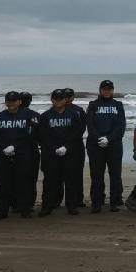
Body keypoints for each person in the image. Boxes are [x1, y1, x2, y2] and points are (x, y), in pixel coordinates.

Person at [37, 88, 86, 216]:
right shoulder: (45, 116)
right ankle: (47, 207)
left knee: (71, 180)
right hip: (51, 154)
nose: (58, 101)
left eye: (61, 99)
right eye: (56, 99)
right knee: (50, 181)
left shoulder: (74, 115)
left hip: (69, 153)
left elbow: (76, 133)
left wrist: (66, 147)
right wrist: (54, 148)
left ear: (65, 100)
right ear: (52, 100)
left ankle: (72, 206)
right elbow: (43, 135)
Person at [0, 91, 37, 220]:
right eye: (8, 101)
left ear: (19, 102)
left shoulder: (28, 115)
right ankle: (2, 212)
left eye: (14, 101)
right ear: (5, 102)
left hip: (22, 154)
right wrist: (3, 147)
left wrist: (15, 146)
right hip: (2, 154)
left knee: (23, 183)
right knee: (3, 184)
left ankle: (25, 210)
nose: (11, 103)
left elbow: (31, 135)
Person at [85, 79, 126, 213]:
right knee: (96, 175)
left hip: (114, 145)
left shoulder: (118, 105)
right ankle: (96, 203)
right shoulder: (93, 104)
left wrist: (109, 138)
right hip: (95, 145)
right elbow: (90, 125)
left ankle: (114, 202)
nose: (107, 91)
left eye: (109, 89)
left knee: (115, 175)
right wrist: (99, 138)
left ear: (112, 91)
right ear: (100, 90)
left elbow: (121, 126)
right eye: (104, 89)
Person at [17, 91, 40, 212]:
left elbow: (40, 134)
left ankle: (27, 203)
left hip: (31, 149)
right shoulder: (12, 115)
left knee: (29, 177)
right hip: (23, 149)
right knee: (26, 178)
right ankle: (24, 203)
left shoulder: (35, 115)